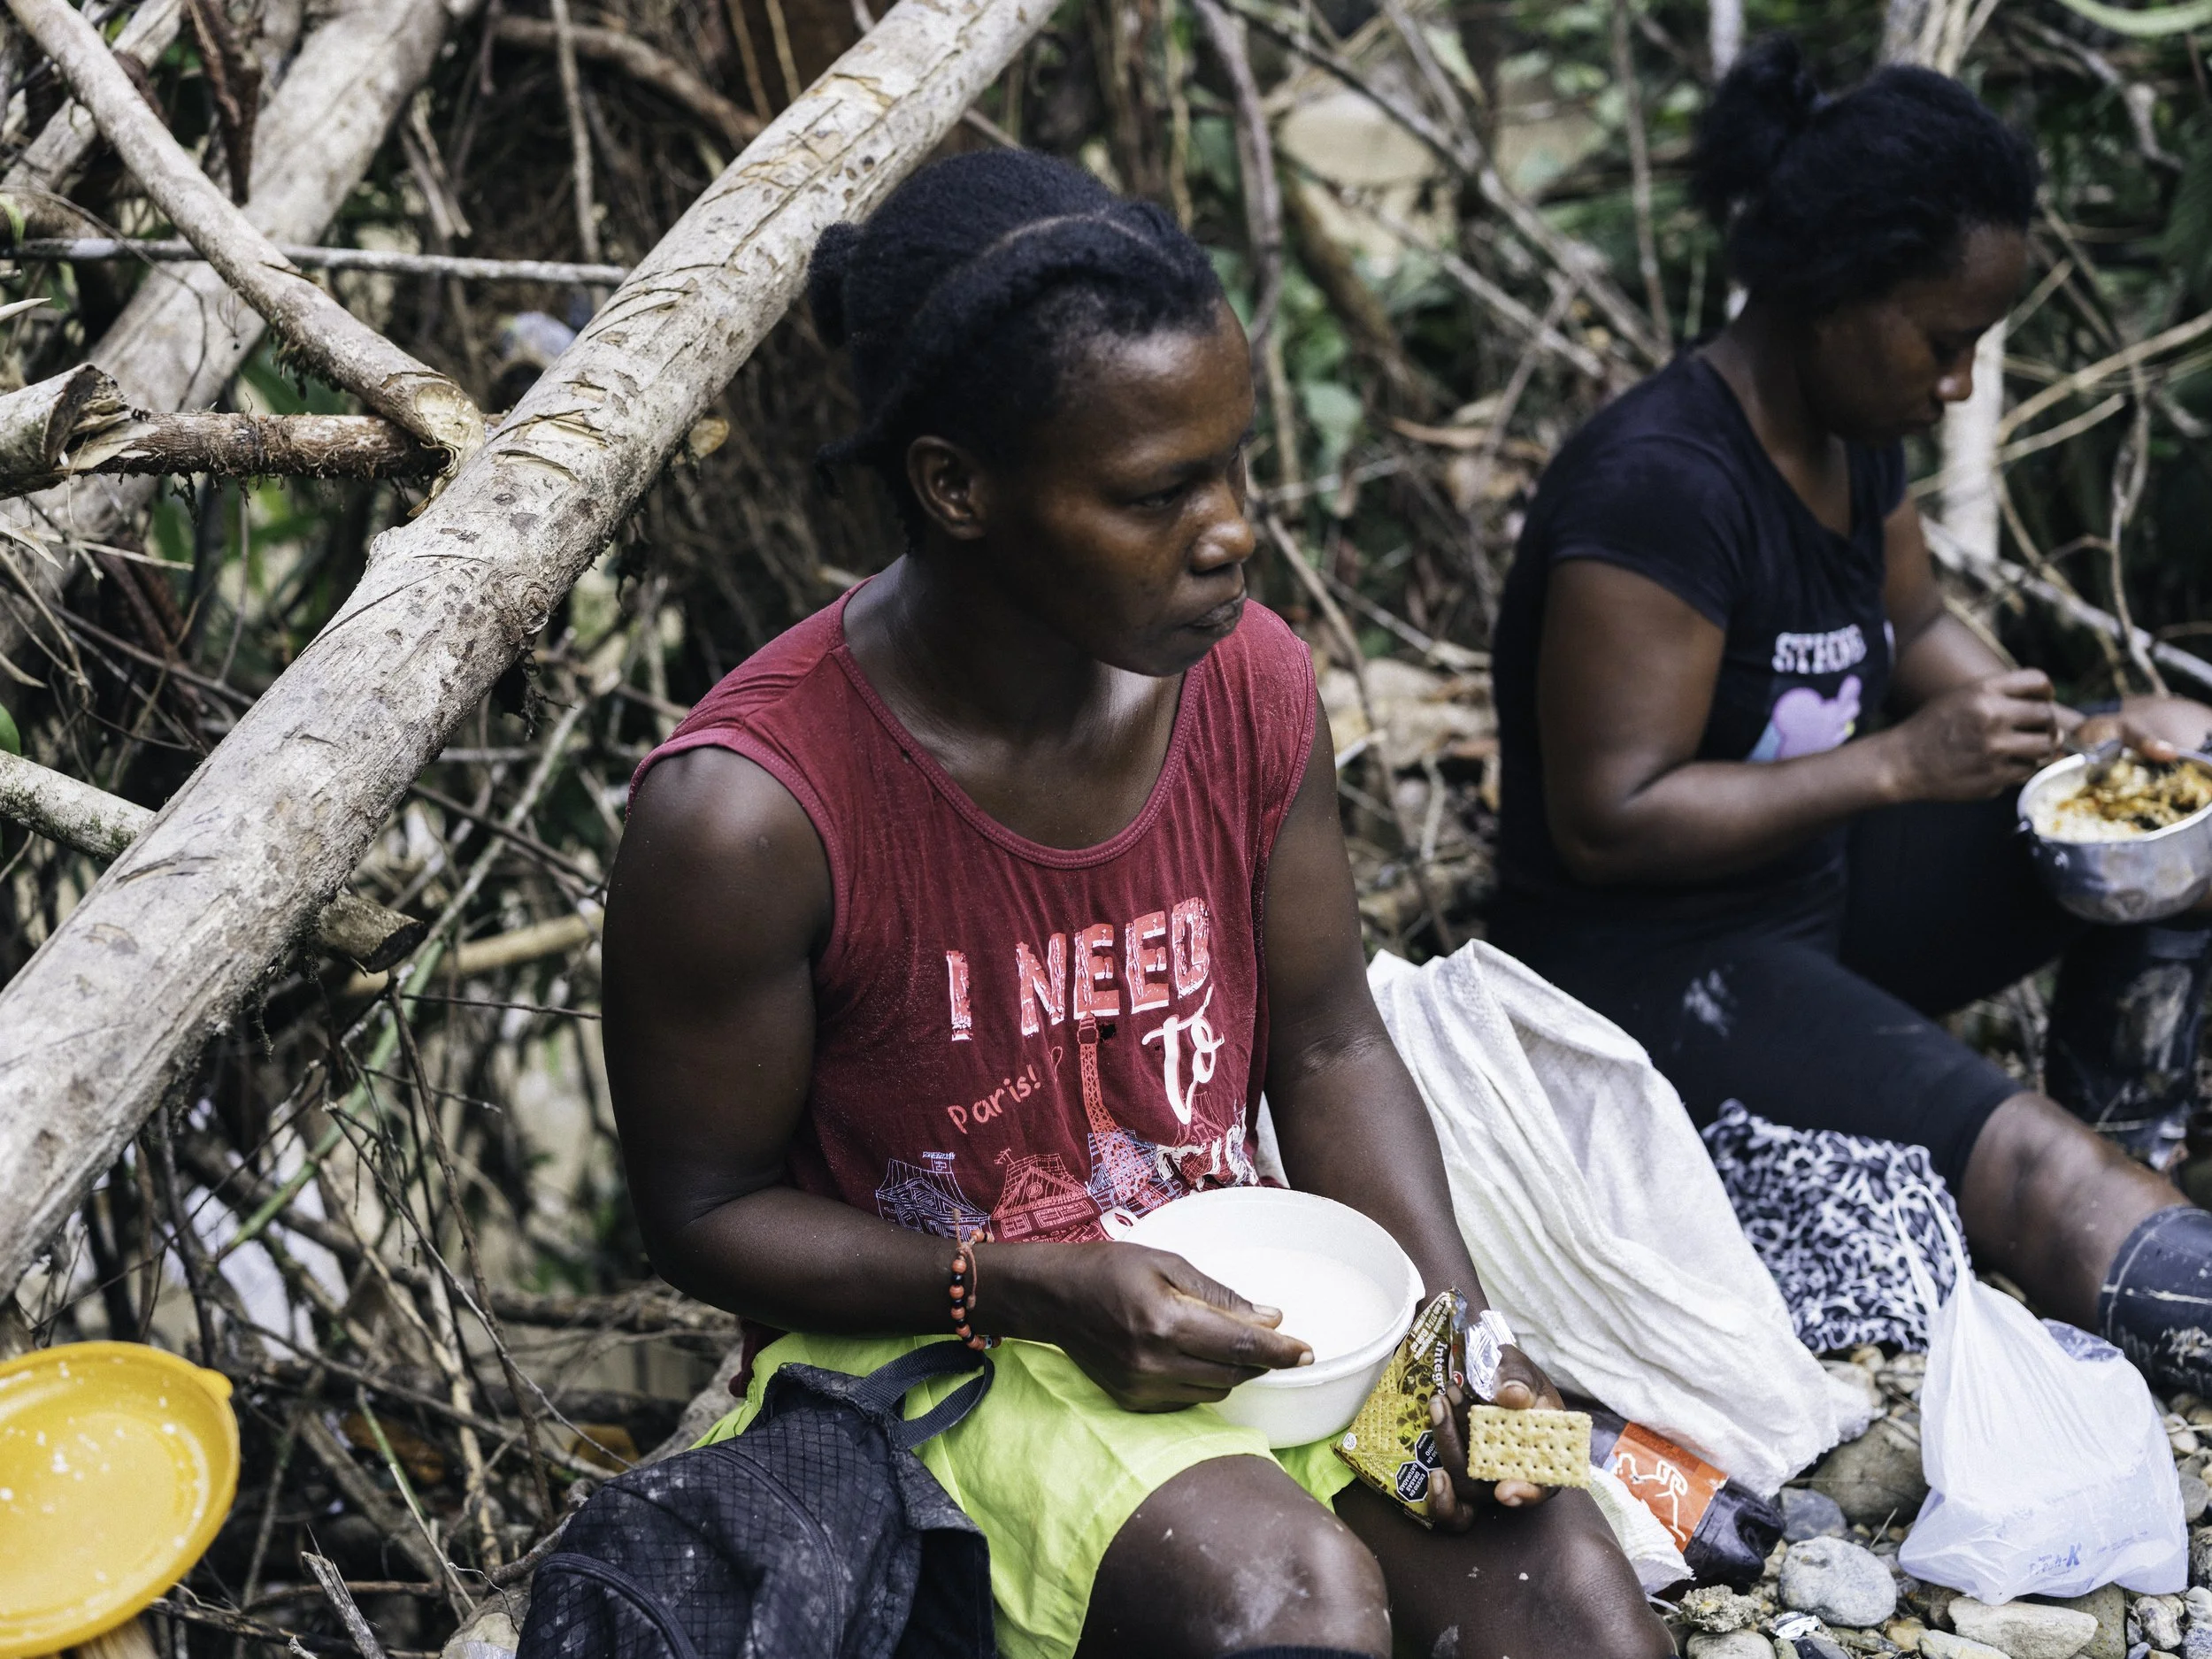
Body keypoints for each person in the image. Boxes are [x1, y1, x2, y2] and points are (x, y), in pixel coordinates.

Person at [602, 150, 1670, 1659]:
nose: (1231, 529)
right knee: (1296, 1607)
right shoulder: (748, 814)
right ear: (956, 488)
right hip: (945, 1349)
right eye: (1159, 492)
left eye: (1236, 468)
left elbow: (1329, 1045)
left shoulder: (1252, 680)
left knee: (1582, 1609)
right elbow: (701, 1214)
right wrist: (1029, 1287)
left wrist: (1455, 1334)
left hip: (1260, 1309)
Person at [1488, 36, 2212, 1395]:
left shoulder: (1848, 432)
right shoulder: (1662, 486)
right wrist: (1898, 765)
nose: (1959, 384)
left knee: (2184, 766)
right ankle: (2104, 1220)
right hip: (1651, 973)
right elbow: (1609, 820)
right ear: (1833, 289)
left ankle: (2135, 1147)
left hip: (1817, 889)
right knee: (2032, 1167)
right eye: (1944, 342)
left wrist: (2076, 740)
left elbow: (1917, 625)